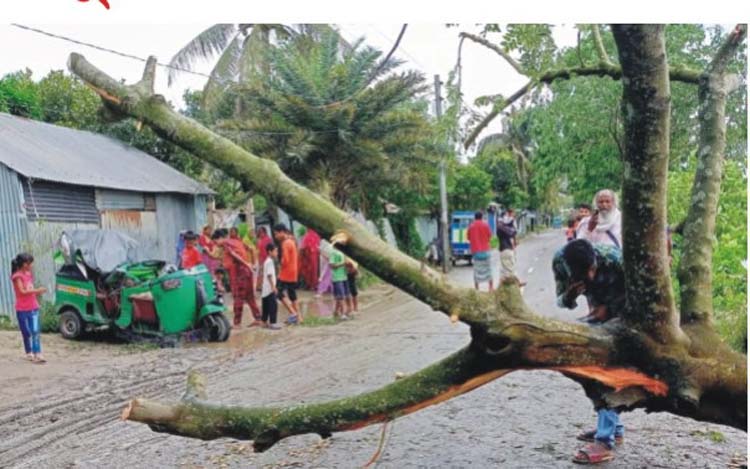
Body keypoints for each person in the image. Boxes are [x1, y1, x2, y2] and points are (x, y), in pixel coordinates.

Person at [551, 239, 626, 464]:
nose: (591, 276)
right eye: (585, 274)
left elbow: (641, 293)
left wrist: (613, 312)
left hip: (623, 314)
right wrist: (571, 296)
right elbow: (562, 301)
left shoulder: (614, 259)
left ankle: (605, 440)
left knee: (607, 372)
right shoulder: (560, 262)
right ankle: (615, 429)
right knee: (586, 369)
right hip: (596, 316)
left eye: (593, 269)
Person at [11, 253, 47, 364]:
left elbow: (29, 288)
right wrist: (38, 291)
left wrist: (36, 294)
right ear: (23, 264)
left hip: (33, 307)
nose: (31, 265)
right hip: (22, 309)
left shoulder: (28, 274)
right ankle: (29, 352)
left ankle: (38, 354)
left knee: (35, 331)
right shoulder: (17, 276)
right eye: (29, 263)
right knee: (26, 332)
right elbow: (22, 291)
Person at [223, 227, 262, 328]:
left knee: (238, 297)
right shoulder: (240, 242)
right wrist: (252, 264)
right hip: (247, 272)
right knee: (250, 297)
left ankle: (237, 323)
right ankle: (258, 318)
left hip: (239, 273)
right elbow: (252, 249)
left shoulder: (227, 243)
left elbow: (234, 254)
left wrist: (248, 264)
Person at [273, 224, 302, 324]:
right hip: (293, 271)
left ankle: (293, 313)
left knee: (278, 292)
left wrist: (278, 260)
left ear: (282, 232)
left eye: (276, 234)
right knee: (292, 295)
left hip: (286, 272)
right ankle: (299, 318)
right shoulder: (291, 241)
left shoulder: (285, 243)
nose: (275, 236)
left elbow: (285, 260)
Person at [466, 211, 494, 291]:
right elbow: (490, 236)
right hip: (486, 251)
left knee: (477, 271)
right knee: (488, 269)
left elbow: (468, 237)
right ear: (482, 217)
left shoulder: (471, 226)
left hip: (476, 252)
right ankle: (490, 287)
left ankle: (477, 288)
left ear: (475, 217)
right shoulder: (486, 225)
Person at [497, 209, 523, 284]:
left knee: (505, 270)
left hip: (504, 250)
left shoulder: (500, 228)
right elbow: (513, 234)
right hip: (509, 250)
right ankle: (517, 282)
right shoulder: (508, 228)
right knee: (509, 269)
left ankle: (515, 282)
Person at [261, 244, 281, 330]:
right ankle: (273, 322)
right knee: (273, 305)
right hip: (269, 288)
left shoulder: (267, 261)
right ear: (270, 251)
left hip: (266, 288)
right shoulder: (269, 262)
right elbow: (269, 275)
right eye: (275, 251)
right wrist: (273, 287)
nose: (277, 253)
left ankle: (264, 322)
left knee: (266, 305)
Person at [329, 245, 353, 320]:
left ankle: (337, 312)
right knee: (341, 296)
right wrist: (343, 264)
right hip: (337, 278)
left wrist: (349, 266)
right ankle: (343, 313)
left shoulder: (342, 253)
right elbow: (331, 265)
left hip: (344, 276)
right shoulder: (333, 253)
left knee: (344, 295)